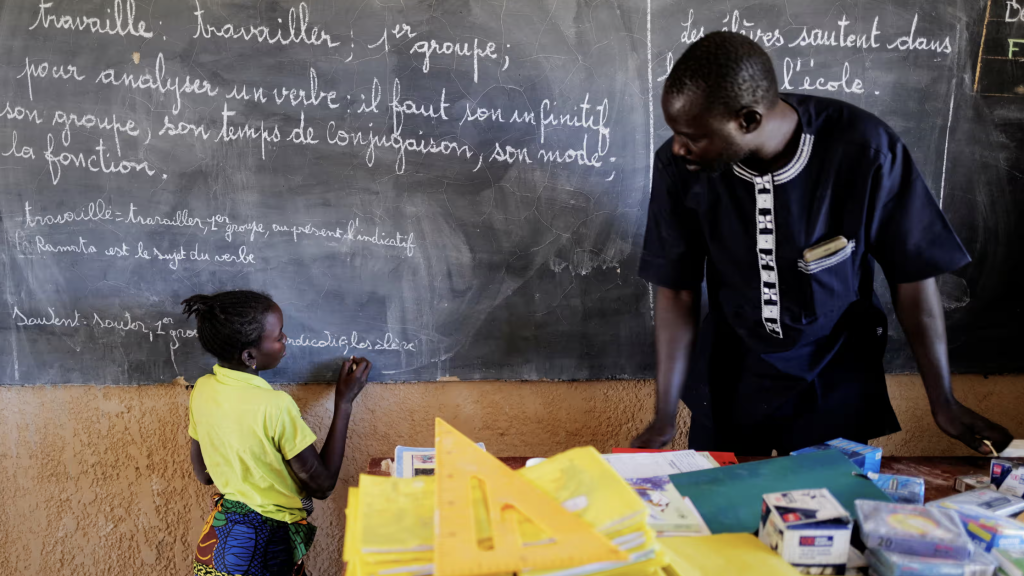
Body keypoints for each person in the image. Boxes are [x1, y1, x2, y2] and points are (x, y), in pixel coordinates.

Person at [631, 31, 1011, 456]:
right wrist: (664, 418)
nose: (678, 147)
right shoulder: (680, 166)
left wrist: (944, 403)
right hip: (730, 377)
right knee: (726, 516)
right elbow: (678, 288)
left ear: (748, 121)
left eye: (693, 136)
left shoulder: (866, 151)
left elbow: (912, 277)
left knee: (826, 518)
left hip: (834, 380)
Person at [184, 290, 371, 576]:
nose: (285, 340)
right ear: (249, 356)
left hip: (218, 546)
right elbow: (322, 486)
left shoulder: (203, 389)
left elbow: (205, 474)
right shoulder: (274, 405)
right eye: (279, 335)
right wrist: (344, 403)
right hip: (262, 551)